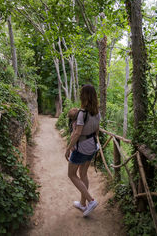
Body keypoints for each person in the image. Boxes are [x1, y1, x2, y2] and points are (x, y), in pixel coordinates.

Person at [65, 84, 100, 217]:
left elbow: (77, 133)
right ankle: (82, 203)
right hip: (92, 147)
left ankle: (91, 201)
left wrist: (68, 149)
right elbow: (96, 131)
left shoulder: (82, 114)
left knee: (72, 174)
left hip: (81, 149)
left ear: (83, 96)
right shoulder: (97, 112)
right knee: (83, 174)